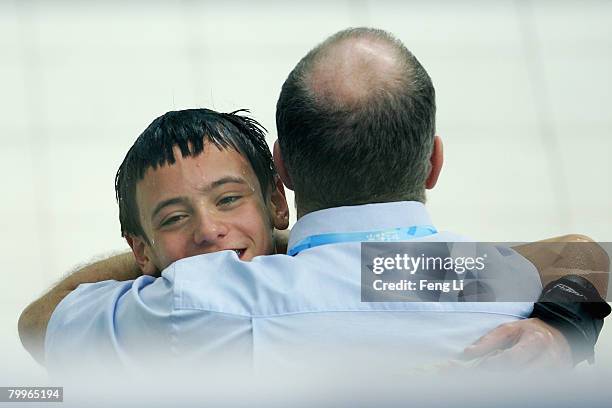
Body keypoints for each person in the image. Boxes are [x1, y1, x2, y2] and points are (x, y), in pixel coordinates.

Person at [19, 28, 608, 372]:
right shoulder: (499, 284)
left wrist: (246, 247)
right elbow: (585, 256)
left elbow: (38, 326)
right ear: (432, 163)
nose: (210, 232)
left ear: (283, 173)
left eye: (227, 200)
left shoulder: (196, 299)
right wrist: (564, 328)